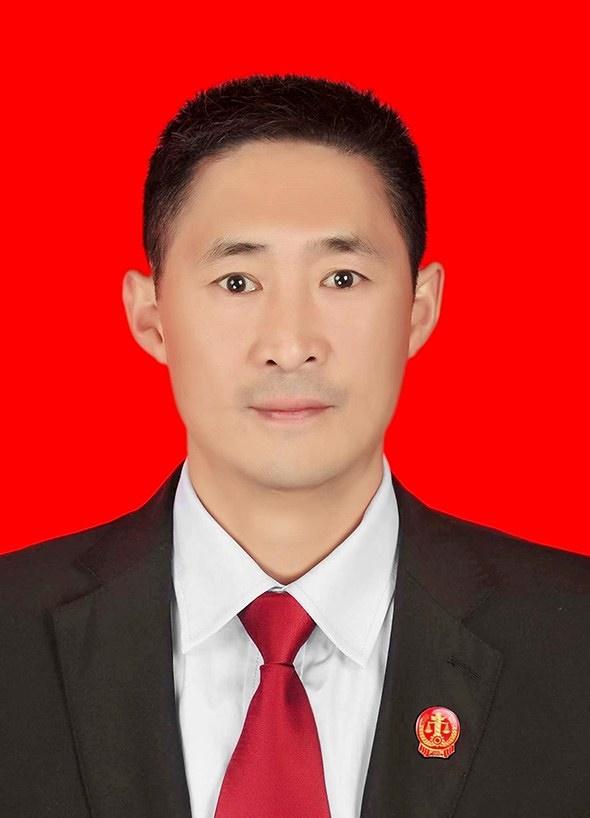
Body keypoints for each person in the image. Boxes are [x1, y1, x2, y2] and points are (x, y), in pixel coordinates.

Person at [1, 74, 588, 818]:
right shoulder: (12, 636)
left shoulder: (573, 642)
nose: (290, 344)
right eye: (237, 281)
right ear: (150, 316)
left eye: (342, 277)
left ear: (419, 309)